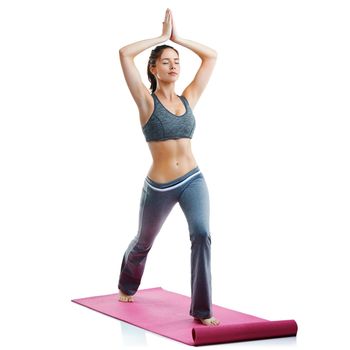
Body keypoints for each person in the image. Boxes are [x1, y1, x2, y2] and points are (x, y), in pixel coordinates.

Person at [117, 8, 220, 326]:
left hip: (193, 179)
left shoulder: (189, 97)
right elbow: (123, 53)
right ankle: (127, 283)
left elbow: (212, 57)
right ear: (153, 68)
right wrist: (161, 37)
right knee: (143, 242)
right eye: (166, 61)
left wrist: (178, 40)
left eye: (177, 62)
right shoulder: (146, 103)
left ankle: (202, 311)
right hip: (159, 186)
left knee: (201, 234)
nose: (174, 66)